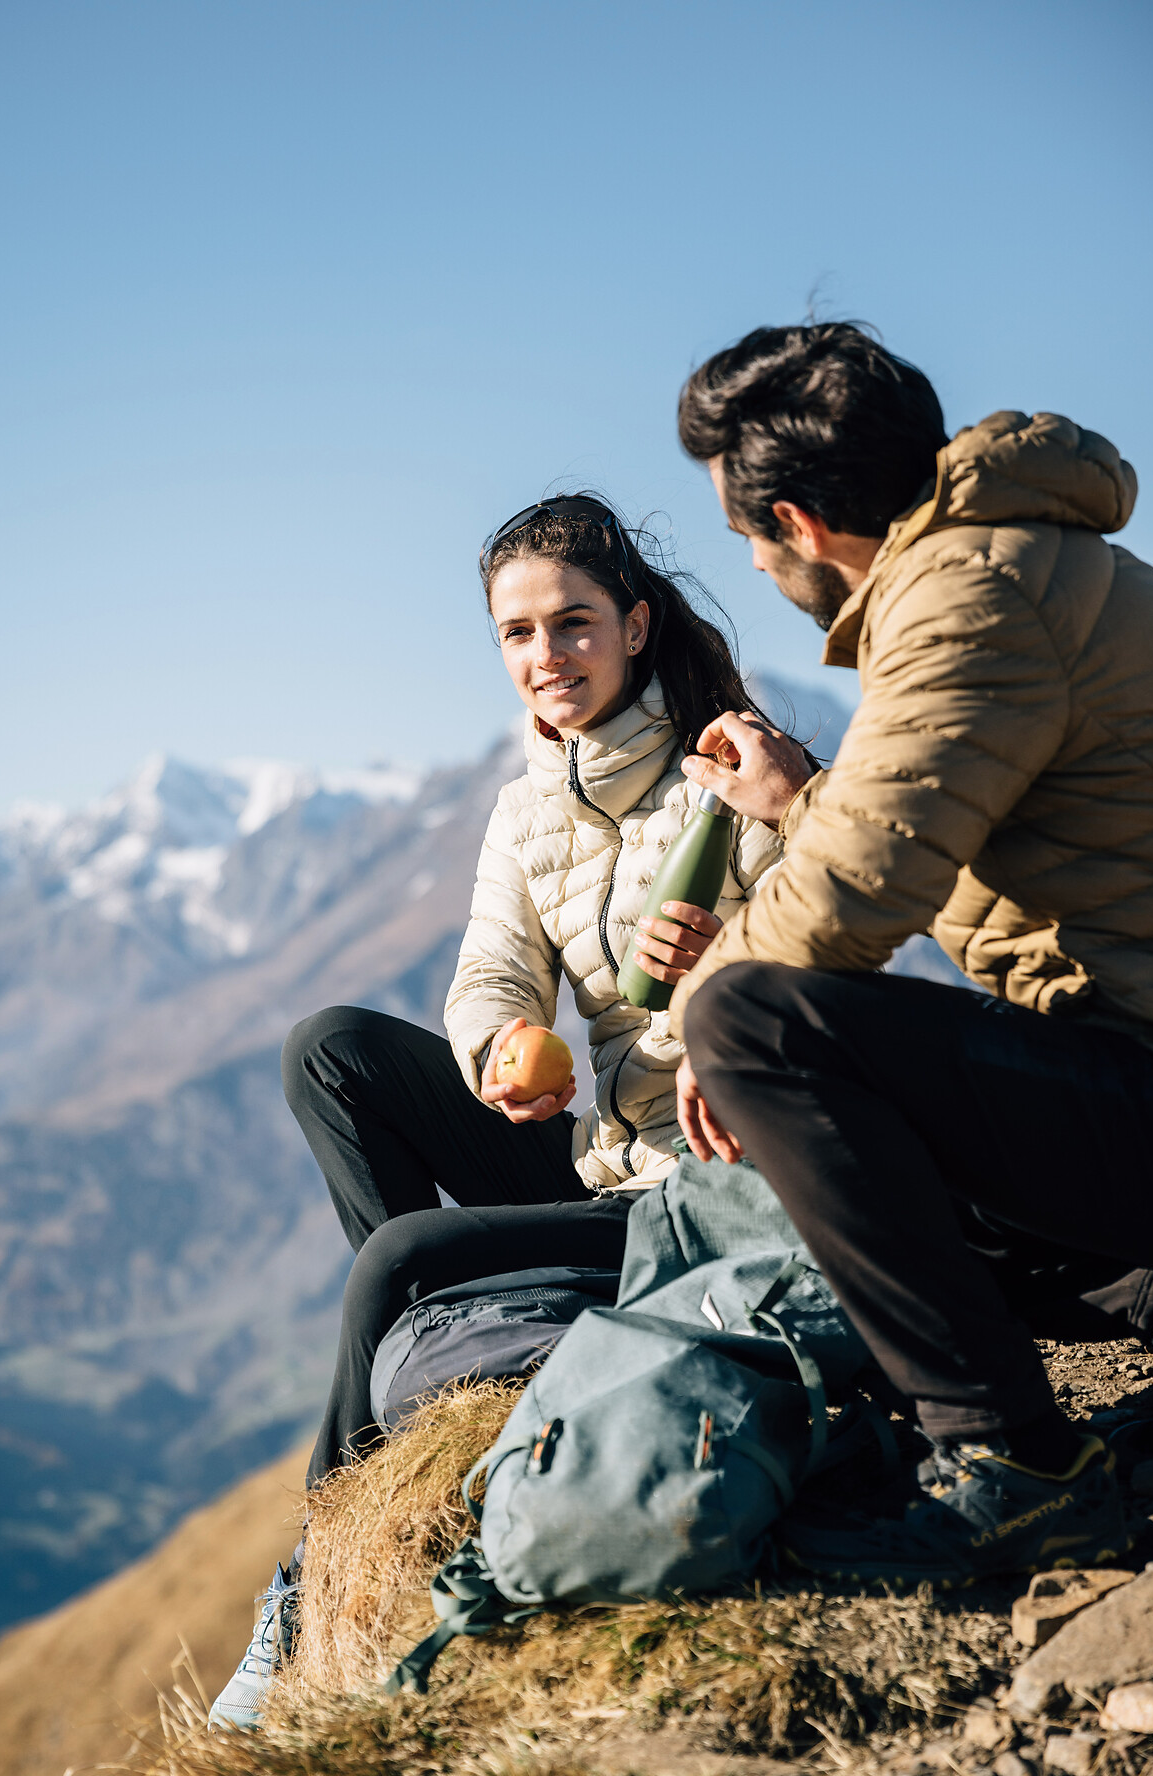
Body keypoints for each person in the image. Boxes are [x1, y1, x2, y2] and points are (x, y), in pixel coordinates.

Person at [209, 492, 793, 1728]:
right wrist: (494, 1045)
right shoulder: (528, 805)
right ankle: (459, 1331)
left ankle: (308, 1574)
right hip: (596, 1161)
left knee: (403, 1257)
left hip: (701, 1194)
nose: (546, 657)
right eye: (518, 636)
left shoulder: (732, 774)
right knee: (334, 1051)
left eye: (572, 625)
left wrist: (714, 969)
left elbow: (832, 955)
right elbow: (491, 967)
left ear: (634, 626)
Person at [668, 320, 1153, 1584]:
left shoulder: (966, 599)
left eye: (749, 544)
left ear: (798, 523)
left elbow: (854, 899)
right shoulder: (1022, 560)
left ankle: (1021, 1469)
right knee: (872, 1175)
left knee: (754, 1028)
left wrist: (708, 1010)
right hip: (1122, 1051)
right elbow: (916, 822)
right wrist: (801, 798)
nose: (766, 572)